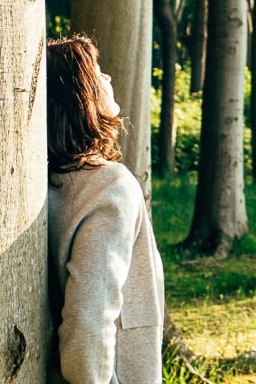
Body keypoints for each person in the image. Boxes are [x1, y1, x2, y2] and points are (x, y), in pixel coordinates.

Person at [46, 35, 164, 383]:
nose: (109, 79)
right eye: (98, 73)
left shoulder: (44, 183)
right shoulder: (110, 185)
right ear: (80, 97)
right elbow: (89, 318)